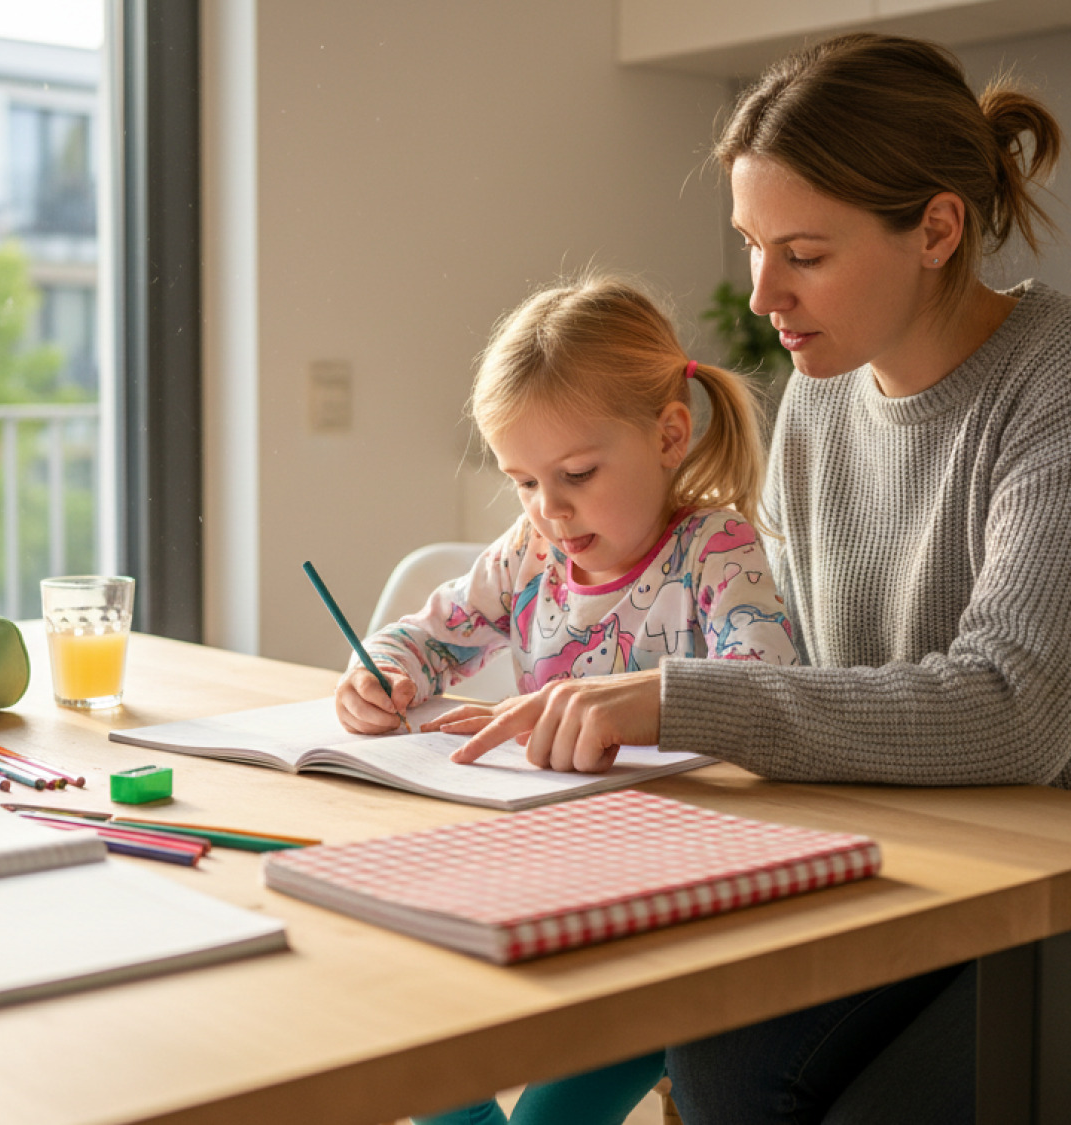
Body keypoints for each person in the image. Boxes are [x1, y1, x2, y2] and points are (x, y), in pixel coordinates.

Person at [452, 33, 1071, 1125]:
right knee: (715, 1065)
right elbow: (805, 679)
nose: (761, 293)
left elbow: (1011, 713)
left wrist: (673, 698)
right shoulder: (815, 407)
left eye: (802, 253)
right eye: (752, 246)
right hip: (938, 887)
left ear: (935, 229)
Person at [335, 275, 799, 1125]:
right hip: (545, 879)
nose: (549, 509)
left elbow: (765, 684)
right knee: (407, 1038)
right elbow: (431, 633)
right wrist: (382, 670)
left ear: (669, 435)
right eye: (522, 482)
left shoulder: (715, 550)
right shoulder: (528, 555)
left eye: (577, 473)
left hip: (671, 917)